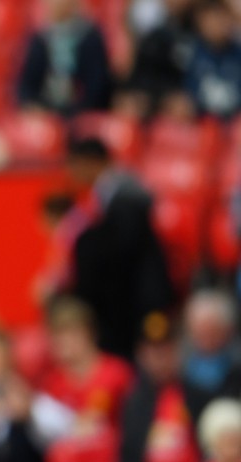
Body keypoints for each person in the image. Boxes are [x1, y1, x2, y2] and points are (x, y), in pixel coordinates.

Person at [64, 136, 175, 361]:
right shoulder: (105, 195)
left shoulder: (126, 195)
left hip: (136, 305)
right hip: (125, 303)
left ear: (91, 162)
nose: (71, 172)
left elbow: (123, 250)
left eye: (74, 164)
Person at [42, 298, 134, 462]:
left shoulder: (116, 374)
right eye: (57, 335)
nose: (64, 343)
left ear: (90, 333)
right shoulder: (51, 384)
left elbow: (132, 434)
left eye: (71, 333)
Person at [118, 314, 200, 462]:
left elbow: (208, 455)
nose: (159, 359)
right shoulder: (134, 403)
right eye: (153, 352)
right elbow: (129, 457)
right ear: (141, 355)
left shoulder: (196, 396)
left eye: (165, 351)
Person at [16, 0, 113, 116]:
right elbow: (26, 85)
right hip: (46, 114)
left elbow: (97, 89)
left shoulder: (90, 37)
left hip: (80, 115)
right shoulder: (40, 39)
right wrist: (34, 107)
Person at [126, 0, 197, 118]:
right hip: (158, 99)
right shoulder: (156, 35)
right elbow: (145, 77)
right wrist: (166, 97)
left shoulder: (198, 32)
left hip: (193, 102)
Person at [180, 289, 241, 415]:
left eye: (211, 332)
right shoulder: (180, 366)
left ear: (227, 331)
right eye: (199, 333)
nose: (205, 340)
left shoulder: (236, 364)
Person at [185, 0, 241, 119]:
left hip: (234, 124)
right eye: (210, 20)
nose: (216, 25)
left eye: (221, 18)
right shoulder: (190, 53)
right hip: (198, 123)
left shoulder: (238, 54)